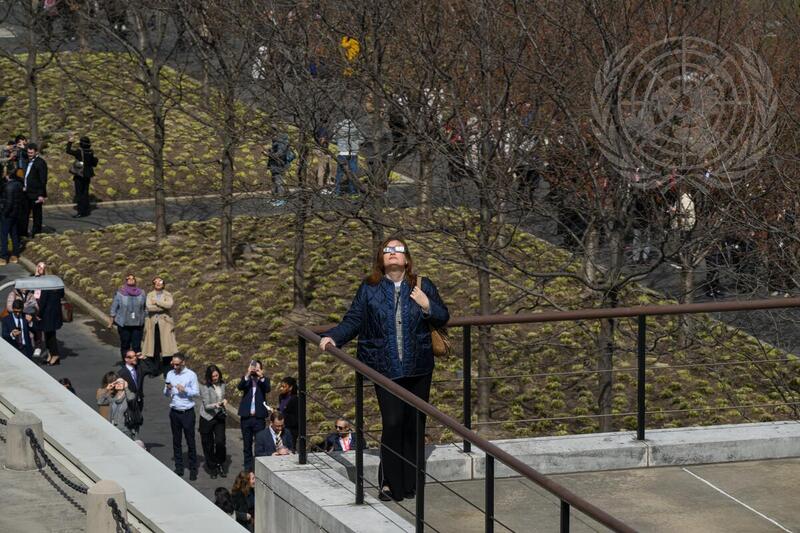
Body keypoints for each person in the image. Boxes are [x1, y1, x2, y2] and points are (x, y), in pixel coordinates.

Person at [319, 236, 449, 502]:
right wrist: (335, 337)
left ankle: (410, 483)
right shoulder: (370, 288)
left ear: (407, 259)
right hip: (384, 368)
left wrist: (426, 305)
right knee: (392, 423)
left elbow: (443, 316)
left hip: (419, 367)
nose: (392, 253)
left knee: (414, 425)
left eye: (398, 250)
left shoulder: (423, 285)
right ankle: (389, 483)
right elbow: (354, 319)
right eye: (387, 250)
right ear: (381, 258)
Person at [163, 354, 200, 480]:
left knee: (190, 441)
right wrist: (168, 389)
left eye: (177, 364)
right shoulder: (170, 374)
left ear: (183, 362)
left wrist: (184, 390)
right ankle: (179, 467)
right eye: (173, 364)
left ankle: (193, 469)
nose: (175, 366)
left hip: (187, 412)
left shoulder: (191, 375)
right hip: (174, 411)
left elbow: (196, 392)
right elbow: (166, 393)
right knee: (176, 441)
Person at [237, 359, 270, 471]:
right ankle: (247, 467)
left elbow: (268, 389)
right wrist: (248, 374)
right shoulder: (246, 379)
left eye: (257, 369)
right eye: (254, 368)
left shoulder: (264, 380)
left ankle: (258, 467)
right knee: (247, 445)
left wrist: (261, 376)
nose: (255, 370)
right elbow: (240, 386)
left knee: (259, 443)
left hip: (258, 418)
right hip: (246, 417)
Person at [142, 276, 178, 376]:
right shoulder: (150, 295)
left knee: (167, 349)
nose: (158, 283)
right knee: (154, 348)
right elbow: (149, 307)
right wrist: (162, 307)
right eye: (156, 282)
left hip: (165, 324)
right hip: (153, 325)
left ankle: (168, 371)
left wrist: (157, 302)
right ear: (153, 284)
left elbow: (169, 305)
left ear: (163, 283)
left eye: (160, 281)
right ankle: (155, 370)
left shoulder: (167, 294)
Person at [109, 274, 146, 360]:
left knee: (136, 346)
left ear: (135, 281)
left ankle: (137, 365)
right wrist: (111, 322)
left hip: (137, 324)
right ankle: (126, 363)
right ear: (126, 281)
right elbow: (114, 308)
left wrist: (145, 318)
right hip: (124, 324)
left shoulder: (142, 293)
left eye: (133, 278)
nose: (131, 279)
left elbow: (145, 307)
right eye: (128, 278)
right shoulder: (120, 293)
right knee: (125, 344)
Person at [200, 364, 228, 479]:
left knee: (220, 441)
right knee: (208, 444)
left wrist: (224, 401)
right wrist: (217, 404)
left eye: (217, 375)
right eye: (213, 376)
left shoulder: (222, 384)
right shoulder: (205, 387)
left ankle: (219, 463)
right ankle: (212, 467)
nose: (215, 378)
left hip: (219, 416)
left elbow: (223, 397)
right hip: (207, 417)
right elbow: (206, 405)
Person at [36, 267, 65, 366]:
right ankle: (50, 355)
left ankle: (55, 354)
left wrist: (38, 314)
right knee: (50, 334)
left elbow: (43, 302)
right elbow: (62, 295)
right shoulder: (58, 284)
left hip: (47, 314)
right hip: (55, 313)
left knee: (49, 336)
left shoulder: (46, 285)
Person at [65, 133, 98, 218]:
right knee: (85, 192)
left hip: (80, 174)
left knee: (79, 193)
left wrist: (70, 142)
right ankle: (86, 210)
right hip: (88, 174)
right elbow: (94, 163)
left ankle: (80, 212)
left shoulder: (79, 152)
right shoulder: (90, 151)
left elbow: (68, 151)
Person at [96, 371, 137, 438]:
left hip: (125, 429)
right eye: (116, 383)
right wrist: (107, 389)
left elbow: (131, 399)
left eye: (121, 383)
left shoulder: (129, 395)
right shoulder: (113, 397)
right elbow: (100, 402)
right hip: (113, 428)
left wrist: (126, 387)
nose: (118, 384)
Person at [21, 142, 47, 238]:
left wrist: (41, 194)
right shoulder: (29, 160)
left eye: (31, 153)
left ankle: (36, 233)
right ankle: (23, 233)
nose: (29, 154)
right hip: (27, 192)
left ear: (36, 152)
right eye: (28, 152)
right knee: (24, 214)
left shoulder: (40, 163)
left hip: (36, 193)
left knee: (37, 215)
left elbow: (43, 180)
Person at [333, 118, 364, 195]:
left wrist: (340, 143)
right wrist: (355, 143)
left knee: (339, 173)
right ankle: (352, 192)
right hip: (353, 153)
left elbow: (334, 139)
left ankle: (337, 191)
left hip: (342, 152)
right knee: (353, 173)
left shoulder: (338, 126)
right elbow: (362, 139)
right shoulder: (357, 126)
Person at [1, 168, 24, 263]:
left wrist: (4, 213)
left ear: (8, 175)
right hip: (16, 213)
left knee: (3, 235)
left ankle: (3, 256)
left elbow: (9, 202)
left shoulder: (8, 187)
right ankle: (15, 254)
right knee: (14, 234)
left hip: (8, 214)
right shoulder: (19, 185)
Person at [267, 133, 295, 207]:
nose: (271, 137)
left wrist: (268, 154)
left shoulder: (280, 144)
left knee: (278, 182)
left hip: (278, 166)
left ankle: (281, 199)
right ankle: (275, 198)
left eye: (272, 135)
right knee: (275, 182)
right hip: (275, 166)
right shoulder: (278, 143)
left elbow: (279, 154)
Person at [118, 349, 145, 414]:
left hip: (139, 402)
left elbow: (153, 370)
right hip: (128, 403)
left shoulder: (139, 369)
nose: (135, 358)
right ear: (126, 359)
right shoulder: (121, 373)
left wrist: (144, 358)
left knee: (138, 421)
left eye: (135, 356)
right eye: (131, 357)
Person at [277, 376, 299, 449]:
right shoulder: (281, 397)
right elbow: (282, 409)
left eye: (284, 387)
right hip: (281, 428)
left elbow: (296, 418)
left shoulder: (295, 399)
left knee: (289, 448)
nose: (281, 388)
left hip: (291, 430)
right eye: (281, 386)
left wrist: (282, 415)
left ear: (290, 388)